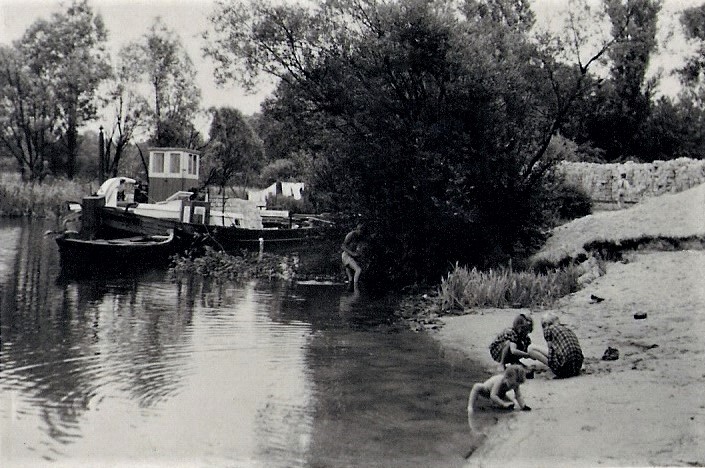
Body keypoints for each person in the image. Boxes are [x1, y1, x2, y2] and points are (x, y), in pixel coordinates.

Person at [528, 312, 583, 378]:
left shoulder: (548, 329)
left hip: (564, 369)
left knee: (531, 348)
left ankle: (553, 369)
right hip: (577, 366)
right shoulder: (567, 329)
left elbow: (550, 349)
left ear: (545, 324)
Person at [341, 223, 366, 291]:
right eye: (360, 230)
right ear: (357, 229)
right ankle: (356, 290)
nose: (361, 232)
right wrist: (352, 253)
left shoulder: (361, 236)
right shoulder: (351, 235)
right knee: (358, 270)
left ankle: (350, 295)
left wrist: (358, 254)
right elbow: (343, 246)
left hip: (351, 256)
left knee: (351, 279)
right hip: (346, 255)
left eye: (363, 231)